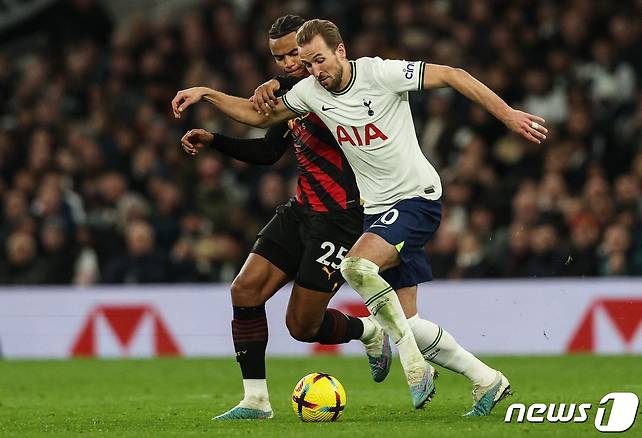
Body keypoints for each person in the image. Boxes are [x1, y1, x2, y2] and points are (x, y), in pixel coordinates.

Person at [172, 18, 549, 416]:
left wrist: (508, 115)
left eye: (316, 59)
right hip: (374, 210)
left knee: (357, 268)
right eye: (303, 62)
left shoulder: (380, 73)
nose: (312, 69)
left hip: (409, 201)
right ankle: (488, 380)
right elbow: (261, 119)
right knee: (408, 321)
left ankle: (413, 366)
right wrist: (207, 95)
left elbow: (454, 75)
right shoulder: (309, 91)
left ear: (340, 50)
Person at [178, 15, 389, 420]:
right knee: (244, 291)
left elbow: (320, 86)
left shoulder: (337, 88)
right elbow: (268, 152)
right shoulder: (293, 98)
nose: (290, 62)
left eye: (296, 52)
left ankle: (368, 330)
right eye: (280, 58)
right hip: (301, 210)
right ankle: (255, 400)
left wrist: (279, 86)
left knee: (303, 327)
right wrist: (215, 139)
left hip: (340, 220)